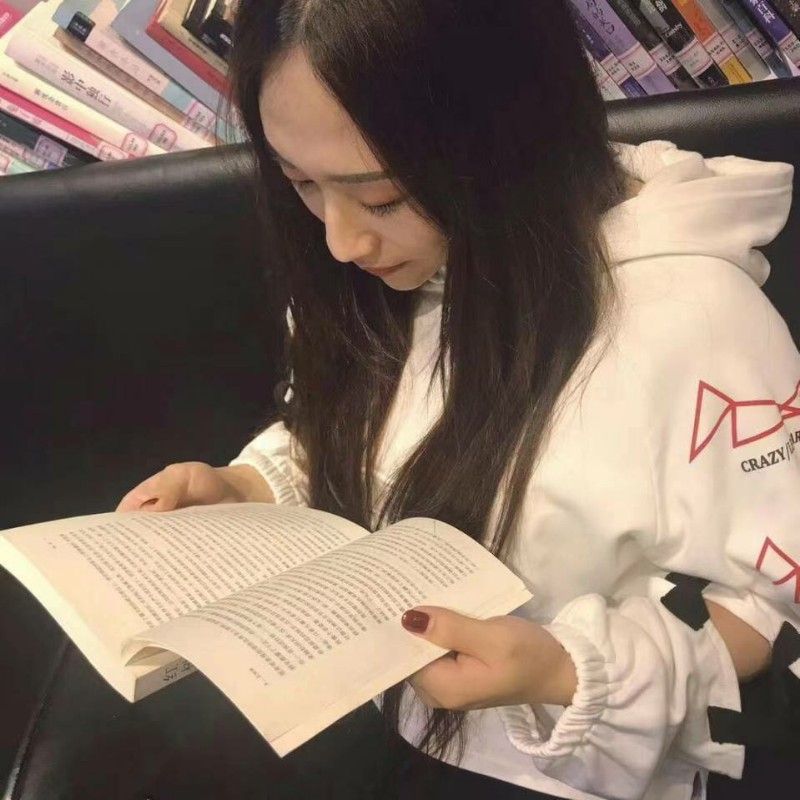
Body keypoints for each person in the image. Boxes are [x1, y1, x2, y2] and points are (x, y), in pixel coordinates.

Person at [117, 1, 800, 798]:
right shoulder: (379, 273)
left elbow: (771, 607)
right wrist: (252, 487)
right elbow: (366, 424)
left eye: (382, 198)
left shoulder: (696, 324)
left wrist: (566, 669)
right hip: (388, 716)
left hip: (574, 767)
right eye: (300, 183)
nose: (340, 241)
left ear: (509, 137)